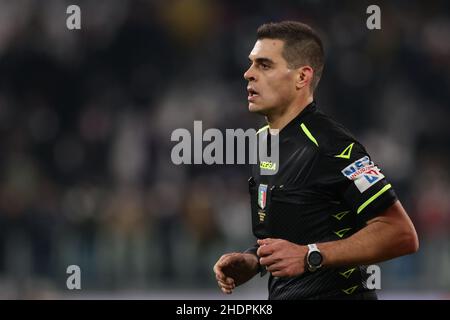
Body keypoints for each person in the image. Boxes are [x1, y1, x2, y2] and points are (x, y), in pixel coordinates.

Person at [213, 21, 419, 300]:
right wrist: (255, 261)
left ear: (302, 77)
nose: (248, 74)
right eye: (251, 64)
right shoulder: (263, 142)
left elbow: (400, 234)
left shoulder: (333, 146)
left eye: (264, 65)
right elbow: (297, 233)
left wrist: (312, 256)